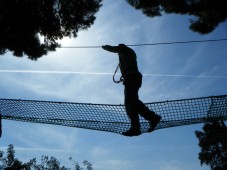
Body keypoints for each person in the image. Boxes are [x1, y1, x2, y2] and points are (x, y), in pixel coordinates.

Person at [102, 44, 161, 136]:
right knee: (129, 103)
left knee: (131, 101)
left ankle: (152, 118)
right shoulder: (129, 53)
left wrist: (103, 46)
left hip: (131, 77)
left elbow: (111, 48)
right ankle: (136, 127)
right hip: (132, 77)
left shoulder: (124, 49)